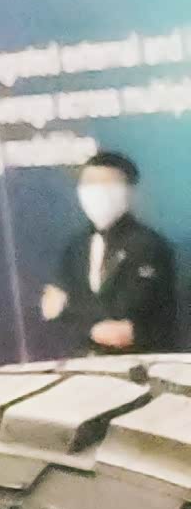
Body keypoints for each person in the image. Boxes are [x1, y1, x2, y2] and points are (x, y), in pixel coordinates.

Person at [42, 151, 179, 357]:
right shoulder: (76, 247)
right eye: (89, 184)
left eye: (107, 184)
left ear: (129, 191)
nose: (96, 192)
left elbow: (126, 313)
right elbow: (51, 309)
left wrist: (69, 308)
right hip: (85, 361)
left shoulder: (148, 245)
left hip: (140, 361)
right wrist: (92, 327)